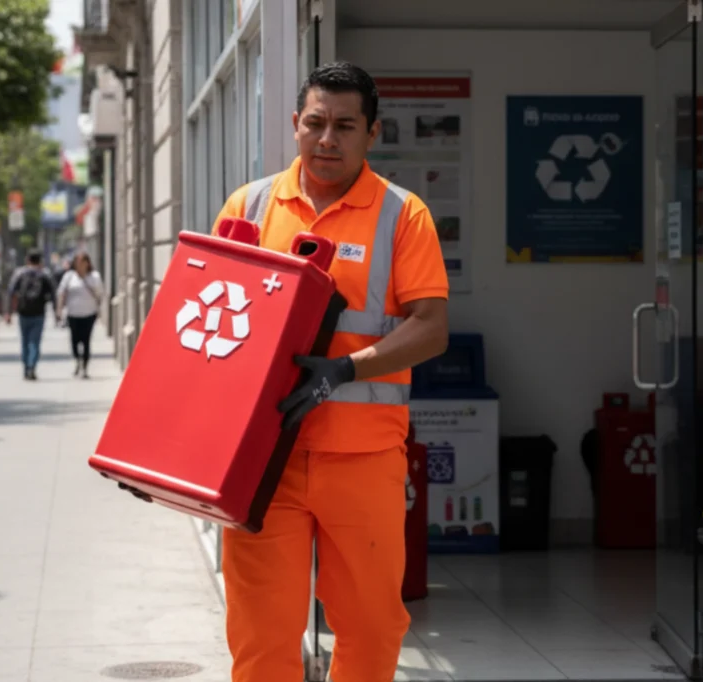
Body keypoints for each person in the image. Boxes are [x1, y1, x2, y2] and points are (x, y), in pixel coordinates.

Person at [210, 61, 450, 682]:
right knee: (261, 639)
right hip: (267, 461)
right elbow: (210, 319)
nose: (327, 139)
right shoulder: (250, 206)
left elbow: (431, 327)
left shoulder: (404, 215)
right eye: (315, 123)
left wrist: (343, 370)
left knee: (371, 633)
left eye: (345, 126)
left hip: (364, 459)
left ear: (372, 134)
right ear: (295, 124)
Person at [6, 248, 58, 380]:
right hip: (39, 313)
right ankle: (32, 366)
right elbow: (53, 294)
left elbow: (11, 292)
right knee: (35, 342)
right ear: (40, 261)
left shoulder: (20, 274)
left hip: (23, 312)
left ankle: (26, 367)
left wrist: (8, 313)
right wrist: (56, 312)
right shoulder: (44, 275)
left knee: (24, 341)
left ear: (27, 260)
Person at [56, 250, 105, 378]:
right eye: (77, 262)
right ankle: (78, 360)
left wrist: (100, 311)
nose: (79, 265)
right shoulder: (69, 276)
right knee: (74, 340)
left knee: (86, 340)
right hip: (73, 314)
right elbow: (61, 292)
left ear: (87, 263)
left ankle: (85, 367)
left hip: (89, 313)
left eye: (82, 262)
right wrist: (59, 310)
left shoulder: (94, 276)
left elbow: (100, 294)